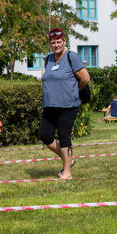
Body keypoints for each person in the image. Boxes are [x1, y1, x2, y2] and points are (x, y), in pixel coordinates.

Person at [39, 27, 90, 179]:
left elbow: (85, 78)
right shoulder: (48, 59)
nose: (56, 45)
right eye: (53, 42)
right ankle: (69, 159)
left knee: (64, 137)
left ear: (64, 41)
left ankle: (67, 172)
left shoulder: (71, 57)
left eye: (59, 42)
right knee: (45, 136)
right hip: (49, 105)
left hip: (68, 105)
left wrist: (73, 90)